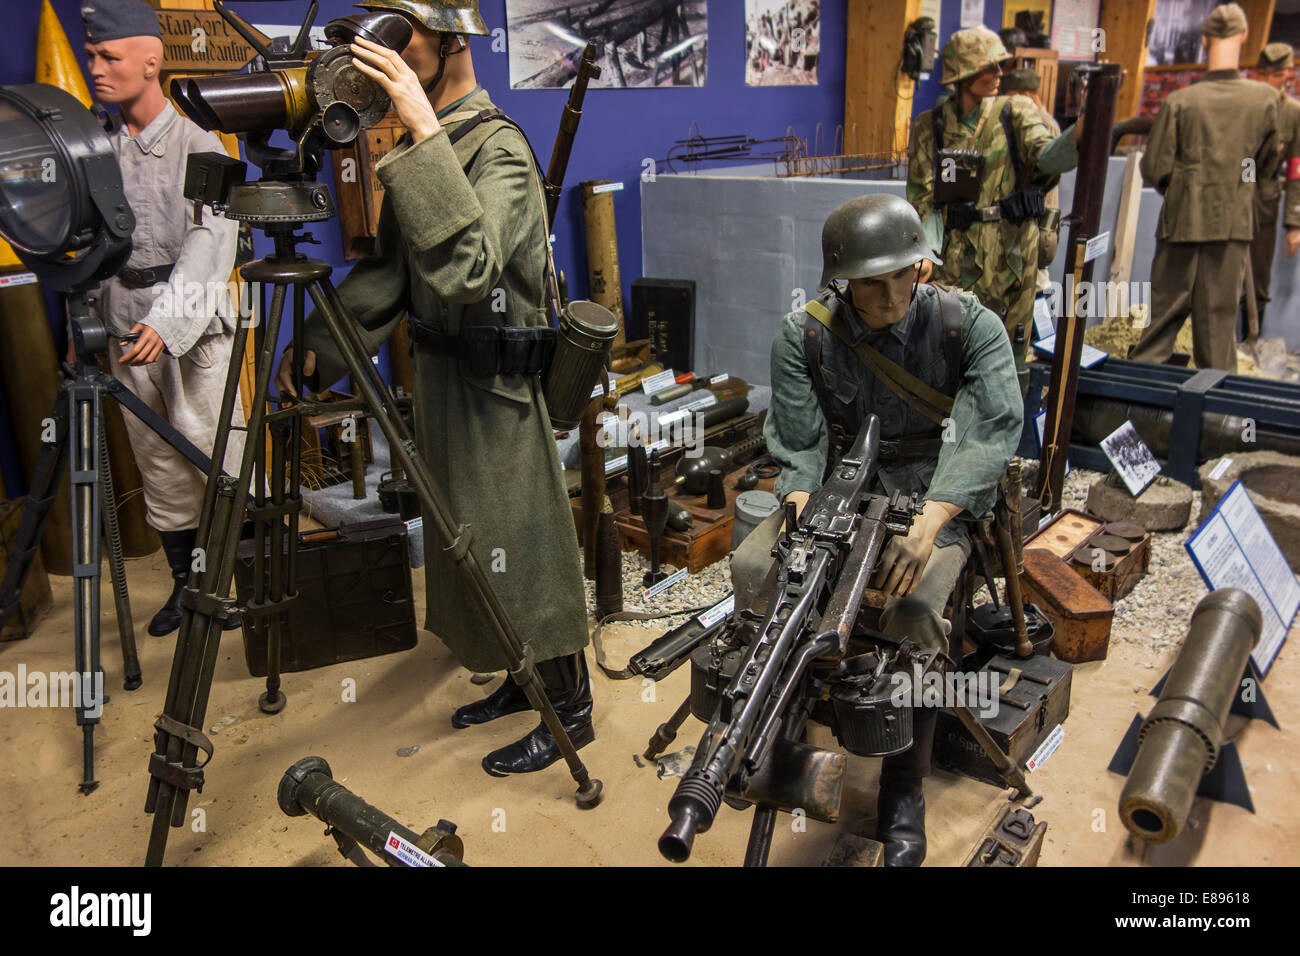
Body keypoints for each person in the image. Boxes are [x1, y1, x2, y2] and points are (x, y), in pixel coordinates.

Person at [274, 0, 594, 777]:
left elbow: (470, 271)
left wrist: (418, 128)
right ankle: (523, 682)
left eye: (400, 31)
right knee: (470, 548)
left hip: (498, 388)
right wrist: (321, 351)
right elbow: (390, 274)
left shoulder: (499, 151)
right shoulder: (440, 146)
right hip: (445, 381)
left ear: (450, 39)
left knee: (518, 540)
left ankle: (571, 704)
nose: (382, 49)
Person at [733, 194, 1023, 866]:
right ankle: (778, 729)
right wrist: (804, 510)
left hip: (936, 488)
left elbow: (988, 432)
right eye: (871, 282)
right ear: (841, 280)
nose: (891, 294)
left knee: (913, 611)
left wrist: (932, 522)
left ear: (922, 265)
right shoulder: (802, 334)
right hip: (842, 486)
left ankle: (902, 784)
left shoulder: (965, 326)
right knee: (757, 571)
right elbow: (802, 447)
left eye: (905, 274)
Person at [80, 0, 242, 637]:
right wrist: (93, 328)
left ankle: (230, 581)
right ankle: (186, 585)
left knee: (210, 450)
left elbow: (212, 240)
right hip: (123, 317)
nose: (96, 67)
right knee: (159, 465)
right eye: (91, 55)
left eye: (109, 56)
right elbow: (92, 243)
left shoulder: (200, 144)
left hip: (190, 327)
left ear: (150, 62)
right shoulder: (97, 151)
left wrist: (168, 323)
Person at [908, 26, 1081, 387]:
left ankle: (1005, 432)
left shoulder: (1015, 112)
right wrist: (923, 252)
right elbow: (923, 198)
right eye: (989, 68)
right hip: (955, 261)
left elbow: (1046, 155)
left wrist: (1077, 135)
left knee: (1010, 356)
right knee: (948, 350)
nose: (999, 74)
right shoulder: (931, 126)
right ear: (963, 74)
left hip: (1012, 256)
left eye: (1000, 66)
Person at [1130, 3, 1280, 371]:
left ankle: (1136, 418)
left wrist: (1185, 189)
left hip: (1181, 225)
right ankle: (1218, 425)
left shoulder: (1180, 101)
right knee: (1217, 336)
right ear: (1244, 37)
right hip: (1231, 229)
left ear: (1204, 39)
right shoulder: (1265, 101)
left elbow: (1154, 168)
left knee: (1159, 331)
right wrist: (1238, 185)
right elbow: (1261, 166)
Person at [1246, 42, 1300, 336]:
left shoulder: (1292, 113)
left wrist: (1294, 222)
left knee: (1258, 281)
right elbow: (1243, 156)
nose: (1268, 83)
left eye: (1276, 77)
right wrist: (1245, 183)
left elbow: (1296, 169)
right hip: (1231, 199)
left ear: (1287, 75)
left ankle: (1250, 338)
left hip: (1265, 204)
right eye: (1263, 75)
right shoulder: (1242, 104)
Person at [1000, 68, 1062, 295]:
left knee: (1034, 289)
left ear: (1024, 94)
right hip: (1039, 223)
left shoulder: (1039, 124)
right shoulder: (1044, 122)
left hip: (1035, 223)